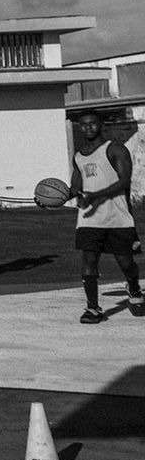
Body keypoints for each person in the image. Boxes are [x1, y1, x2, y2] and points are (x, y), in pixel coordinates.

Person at [65, 111, 142, 324]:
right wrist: (54, 197)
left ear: (101, 124)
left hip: (117, 217)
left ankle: (134, 289)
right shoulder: (79, 156)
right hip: (89, 218)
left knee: (126, 263)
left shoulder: (115, 149)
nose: (88, 128)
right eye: (83, 125)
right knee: (89, 261)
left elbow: (124, 181)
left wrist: (96, 196)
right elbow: (76, 186)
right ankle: (93, 308)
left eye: (92, 124)